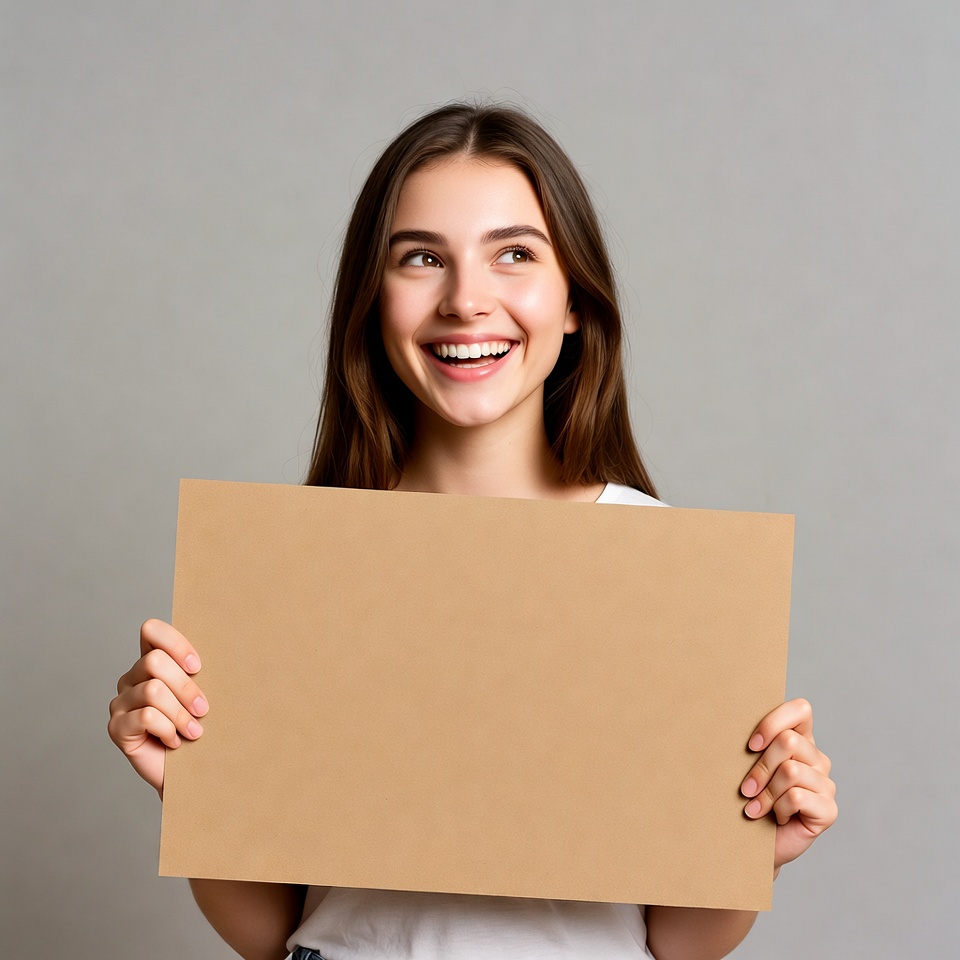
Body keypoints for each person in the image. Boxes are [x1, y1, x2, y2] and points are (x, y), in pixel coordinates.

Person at [108, 102, 837, 960]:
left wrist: (757, 848)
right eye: (422, 258)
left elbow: (676, 944)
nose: (465, 300)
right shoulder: (297, 566)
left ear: (575, 301)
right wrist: (190, 788)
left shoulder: (669, 575)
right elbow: (272, 937)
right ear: (372, 301)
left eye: (515, 255)